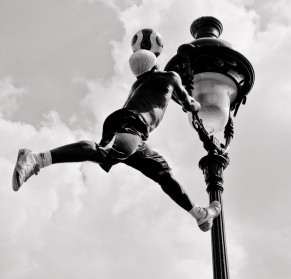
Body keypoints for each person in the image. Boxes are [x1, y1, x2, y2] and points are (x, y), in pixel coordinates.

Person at [12, 49, 221, 232]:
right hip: (130, 123)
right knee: (106, 153)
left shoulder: (138, 85)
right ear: (156, 63)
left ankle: (199, 214)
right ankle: (37, 158)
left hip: (137, 135)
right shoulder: (170, 76)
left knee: (162, 172)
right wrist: (195, 105)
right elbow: (188, 101)